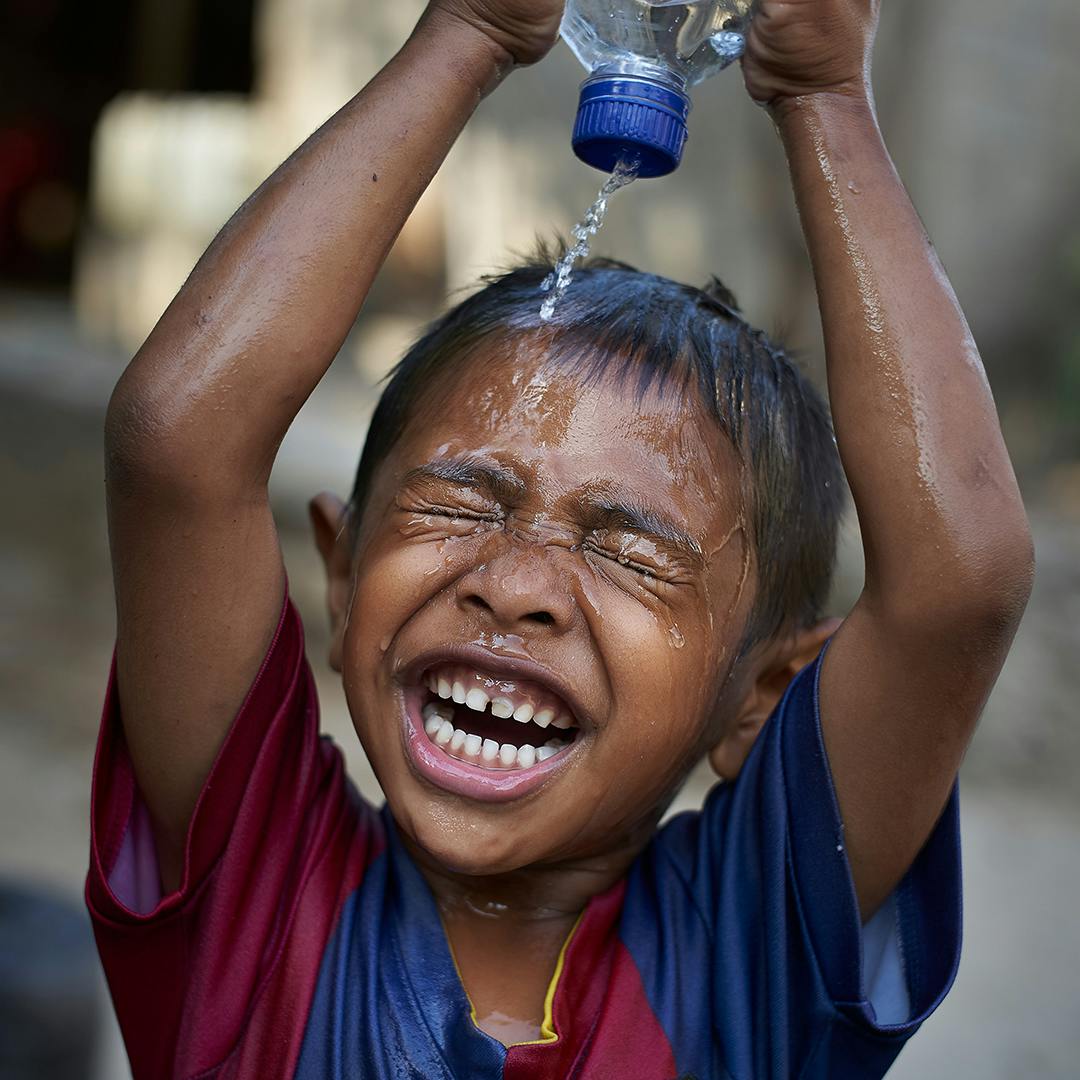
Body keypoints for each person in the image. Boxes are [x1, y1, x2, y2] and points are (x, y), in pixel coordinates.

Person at [85, 1, 1034, 1077]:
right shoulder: (254, 895)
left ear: (763, 696)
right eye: (460, 507)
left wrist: (824, 98)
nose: (517, 585)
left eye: (631, 555)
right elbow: (177, 442)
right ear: (342, 578)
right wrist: (468, 37)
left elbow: (962, 585)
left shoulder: (753, 953)